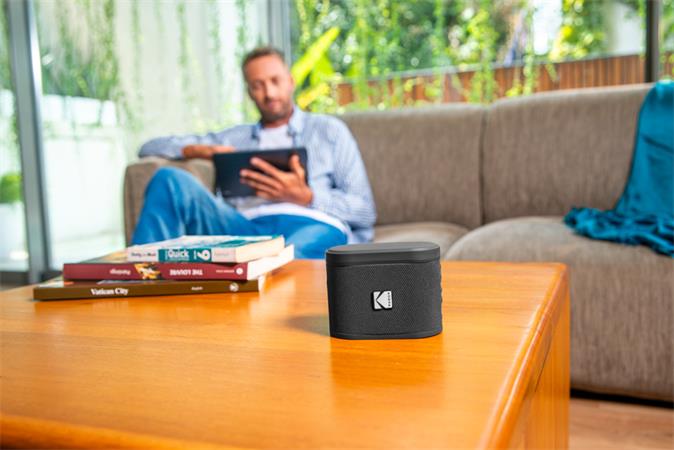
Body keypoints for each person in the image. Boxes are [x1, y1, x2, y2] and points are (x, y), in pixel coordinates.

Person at [131, 46, 376, 259]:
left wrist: (307, 196)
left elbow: (365, 210)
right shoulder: (232, 138)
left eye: (275, 81)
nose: (269, 93)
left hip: (310, 224)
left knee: (283, 260)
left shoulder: (330, 131)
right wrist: (197, 150)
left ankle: (265, 279)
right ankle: (139, 280)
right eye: (258, 85)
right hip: (241, 230)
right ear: (249, 92)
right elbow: (148, 147)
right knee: (168, 180)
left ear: (290, 81)